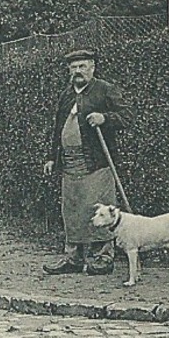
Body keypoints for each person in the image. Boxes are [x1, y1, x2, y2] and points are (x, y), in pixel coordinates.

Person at [42, 48, 129, 275]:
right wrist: (52, 157)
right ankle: (73, 258)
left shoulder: (105, 90)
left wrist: (105, 118)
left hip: (96, 163)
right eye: (73, 67)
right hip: (69, 164)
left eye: (83, 66)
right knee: (71, 210)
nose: (78, 71)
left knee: (98, 207)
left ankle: (103, 258)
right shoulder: (66, 95)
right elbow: (57, 129)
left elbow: (128, 116)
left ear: (92, 67)